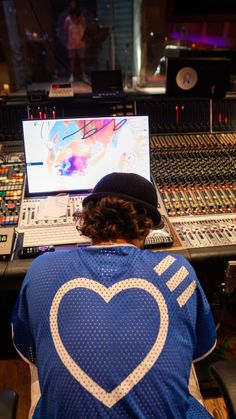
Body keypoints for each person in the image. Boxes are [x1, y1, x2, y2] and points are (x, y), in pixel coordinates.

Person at [12, 172, 216, 418]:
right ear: (148, 225)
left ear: (90, 217)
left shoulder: (42, 268)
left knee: (42, 350)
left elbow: (28, 352)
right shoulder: (178, 271)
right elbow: (200, 350)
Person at [63, 3, 87, 83]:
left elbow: (85, 28)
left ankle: (84, 75)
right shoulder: (68, 19)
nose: (74, 17)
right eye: (72, 15)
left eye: (75, 16)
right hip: (71, 43)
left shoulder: (82, 19)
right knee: (72, 60)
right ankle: (71, 75)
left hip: (81, 43)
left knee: (82, 59)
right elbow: (65, 29)